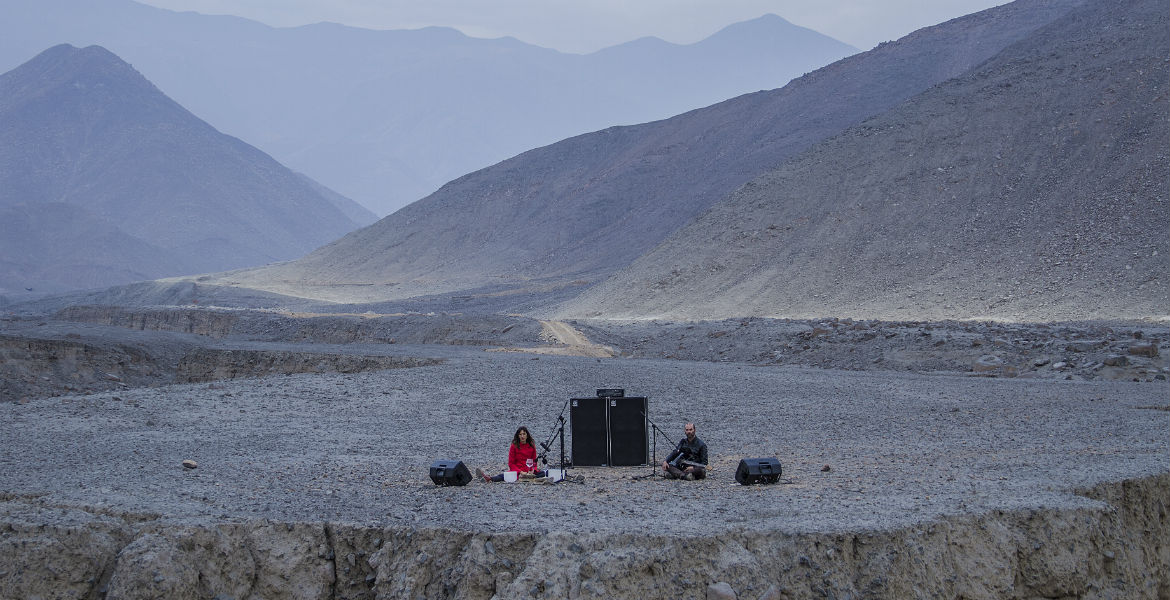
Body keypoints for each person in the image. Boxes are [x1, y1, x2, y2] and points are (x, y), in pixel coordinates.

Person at [477, 426, 546, 482]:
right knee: (505, 475)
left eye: (524, 434)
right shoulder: (514, 446)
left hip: (529, 471)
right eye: (520, 434)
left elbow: (534, 461)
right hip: (518, 470)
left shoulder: (531, 445)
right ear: (518, 436)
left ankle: (529, 478)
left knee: (542, 473)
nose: (522, 436)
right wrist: (521, 472)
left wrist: (533, 470)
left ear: (527, 435)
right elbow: (511, 463)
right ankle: (489, 478)